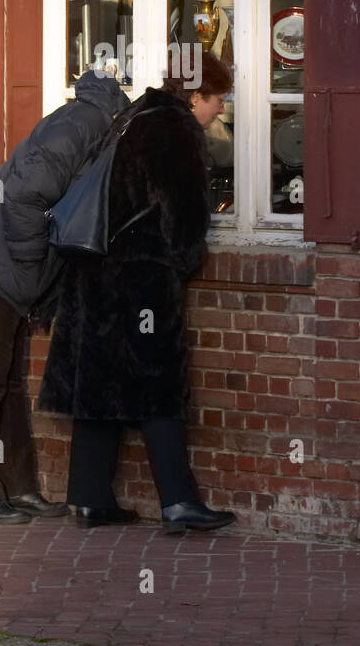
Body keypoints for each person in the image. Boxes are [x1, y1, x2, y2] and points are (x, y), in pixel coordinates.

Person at [39, 50, 237, 534]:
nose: (222, 111)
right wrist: (184, 264)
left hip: (95, 273)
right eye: (218, 100)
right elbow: (183, 219)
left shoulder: (134, 117)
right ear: (195, 97)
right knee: (158, 385)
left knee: (101, 385)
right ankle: (178, 503)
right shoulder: (176, 132)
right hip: (142, 279)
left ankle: (88, 498)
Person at [0, 68, 130, 524]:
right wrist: (29, 271)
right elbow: (22, 198)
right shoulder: (79, 125)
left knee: (10, 381)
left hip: (5, 264)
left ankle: (18, 488)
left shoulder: (90, 125)